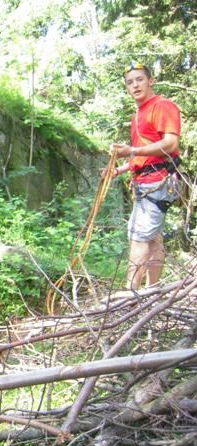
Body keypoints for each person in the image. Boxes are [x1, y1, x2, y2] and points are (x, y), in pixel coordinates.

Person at [105, 62, 181, 290]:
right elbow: (143, 155)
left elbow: (170, 143)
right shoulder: (138, 114)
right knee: (153, 237)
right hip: (147, 181)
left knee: (138, 237)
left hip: (158, 181)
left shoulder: (162, 106)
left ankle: (131, 294)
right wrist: (119, 169)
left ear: (151, 81)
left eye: (139, 79)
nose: (135, 85)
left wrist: (132, 150)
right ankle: (152, 290)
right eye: (130, 82)